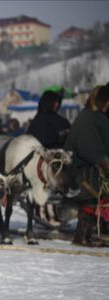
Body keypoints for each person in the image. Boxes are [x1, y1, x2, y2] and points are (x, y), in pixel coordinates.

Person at [64, 85, 109, 246]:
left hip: (90, 169)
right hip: (80, 173)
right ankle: (83, 234)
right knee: (96, 193)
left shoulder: (95, 117)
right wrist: (105, 164)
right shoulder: (87, 118)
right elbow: (90, 149)